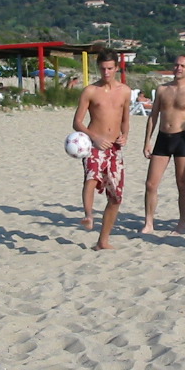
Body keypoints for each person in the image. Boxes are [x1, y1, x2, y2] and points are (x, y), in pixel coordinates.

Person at [72, 49, 130, 250]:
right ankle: (88, 215)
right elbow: (77, 122)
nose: (106, 72)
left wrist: (125, 135)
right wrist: (94, 137)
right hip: (94, 145)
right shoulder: (90, 91)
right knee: (92, 177)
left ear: (116, 68)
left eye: (110, 68)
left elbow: (125, 119)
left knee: (116, 196)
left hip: (114, 148)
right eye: (103, 68)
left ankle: (103, 241)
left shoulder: (125, 91)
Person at [142, 55, 185, 234]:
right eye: (176, 65)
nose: (179, 68)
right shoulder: (162, 89)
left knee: (182, 183)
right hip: (162, 138)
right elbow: (153, 116)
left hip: (182, 139)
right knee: (151, 184)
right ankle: (149, 223)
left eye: (183, 66)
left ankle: (181, 223)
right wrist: (147, 141)